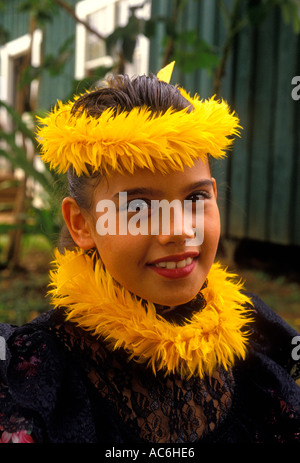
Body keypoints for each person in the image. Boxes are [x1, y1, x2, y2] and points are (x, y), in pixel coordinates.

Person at [0, 62, 299, 444]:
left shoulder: (257, 336)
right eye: (138, 207)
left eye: (195, 198)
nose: (179, 230)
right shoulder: (34, 380)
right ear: (82, 224)